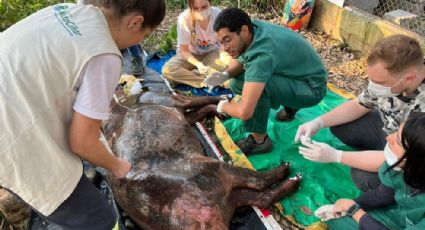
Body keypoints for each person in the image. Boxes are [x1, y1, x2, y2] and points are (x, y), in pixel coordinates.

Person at [0, 1, 165, 229]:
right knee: (98, 220)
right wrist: (117, 166)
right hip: (11, 134)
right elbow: (82, 143)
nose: (140, 43)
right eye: (144, 35)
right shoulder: (104, 54)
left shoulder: (66, 9)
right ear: (135, 22)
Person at [296, 35, 425, 192]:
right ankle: (369, 154)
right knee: (339, 125)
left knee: (364, 177)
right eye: (372, 80)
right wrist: (318, 122)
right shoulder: (395, 78)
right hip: (394, 133)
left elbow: (404, 158)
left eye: (380, 83)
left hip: (412, 159)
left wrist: (337, 156)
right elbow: (359, 105)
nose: (374, 86)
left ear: (409, 78)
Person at [205, 8, 327, 155]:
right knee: (236, 82)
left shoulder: (262, 55)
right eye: (221, 42)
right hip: (300, 75)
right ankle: (291, 106)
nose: (224, 48)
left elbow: (244, 112)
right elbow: (246, 59)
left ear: (243, 30)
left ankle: (259, 141)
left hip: (312, 89)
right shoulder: (254, 29)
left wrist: (223, 106)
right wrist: (226, 74)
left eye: (227, 40)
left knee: (260, 88)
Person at [314, 112, 425, 229]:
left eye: (398, 141)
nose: (388, 138)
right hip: (407, 217)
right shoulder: (401, 167)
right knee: (339, 221)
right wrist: (350, 206)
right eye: (396, 133)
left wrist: (354, 211)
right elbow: (382, 195)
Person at [162, 0, 230, 88]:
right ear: (190, 7)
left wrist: (224, 56)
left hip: (212, 53)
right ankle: (206, 81)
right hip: (190, 55)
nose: (200, 11)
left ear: (210, 3)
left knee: (228, 67)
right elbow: (184, 50)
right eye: (196, 8)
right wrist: (198, 64)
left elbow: (223, 42)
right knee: (168, 70)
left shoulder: (218, 14)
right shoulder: (184, 19)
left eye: (204, 7)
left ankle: (192, 76)